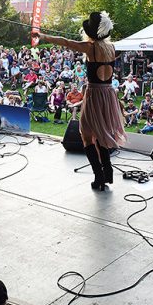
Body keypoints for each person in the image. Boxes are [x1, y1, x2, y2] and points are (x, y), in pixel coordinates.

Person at [34, 11, 126, 191]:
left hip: (95, 94)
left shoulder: (91, 48)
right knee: (102, 133)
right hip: (108, 94)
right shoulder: (112, 48)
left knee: (86, 134)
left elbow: (66, 42)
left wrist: (43, 36)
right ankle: (107, 172)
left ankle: (99, 176)